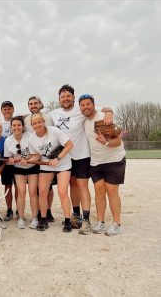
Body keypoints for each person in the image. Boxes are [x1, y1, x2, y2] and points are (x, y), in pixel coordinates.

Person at [48, 84, 113, 235]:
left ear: (73, 97)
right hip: (65, 157)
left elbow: (103, 109)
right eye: (63, 96)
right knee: (72, 185)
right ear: (59, 99)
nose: (65, 98)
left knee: (82, 185)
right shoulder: (54, 113)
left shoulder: (81, 109)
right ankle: (75, 215)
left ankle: (86, 219)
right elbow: (36, 118)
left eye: (68, 96)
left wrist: (109, 112)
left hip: (82, 154)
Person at [79, 94, 126, 236]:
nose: (86, 107)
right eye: (82, 105)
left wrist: (105, 142)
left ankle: (117, 224)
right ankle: (100, 222)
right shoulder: (84, 121)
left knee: (112, 191)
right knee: (99, 190)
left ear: (94, 104)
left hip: (114, 159)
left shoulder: (104, 116)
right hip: (96, 162)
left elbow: (117, 141)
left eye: (88, 104)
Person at [28, 113, 73, 232]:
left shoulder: (54, 131)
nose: (37, 125)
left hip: (62, 164)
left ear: (43, 122)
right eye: (34, 123)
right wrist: (26, 161)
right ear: (32, 125)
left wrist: (57, 158)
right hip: (47, 166)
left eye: (39, 122)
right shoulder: (32, 138)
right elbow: (36, 155)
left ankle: (68, 220)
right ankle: (43, 219)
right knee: (42, 192)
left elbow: (69, 145)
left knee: (62, 192)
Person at [24, 96, 55, 223]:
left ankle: (48, 210)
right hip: (33, 156)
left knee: (49, 187)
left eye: (35, 103)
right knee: (37, 188)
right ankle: (37, 213)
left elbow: (52, 134)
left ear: (41, 104)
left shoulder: (48, 117)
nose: (33, 106)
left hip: (47, 157)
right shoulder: (25, 120)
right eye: (30, 104)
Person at [4, 116, 39, 229]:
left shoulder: (30, 136)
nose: (16, 127)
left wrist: (28, 160)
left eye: (19, 125)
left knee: (33, 192)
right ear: (11, 127)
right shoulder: (8, 140)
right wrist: (12, 160)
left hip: (32, 167)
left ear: (23, 126)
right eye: (14, 125)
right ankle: (20, 218)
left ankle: (34, 218)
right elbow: (8, 160)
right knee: (21, 192)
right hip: (18, 169)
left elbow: (37, 155)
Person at [0, 101, 18, 221]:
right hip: (5, 160)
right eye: (4, 109)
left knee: (18, 186)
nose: (7, 111)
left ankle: (19, 209)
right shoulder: (0, 125)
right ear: (1, 111)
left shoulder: (17, 122)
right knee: (7, 186)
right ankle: (9, 209)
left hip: (17, 159)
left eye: (9, 109)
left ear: (13, 109)